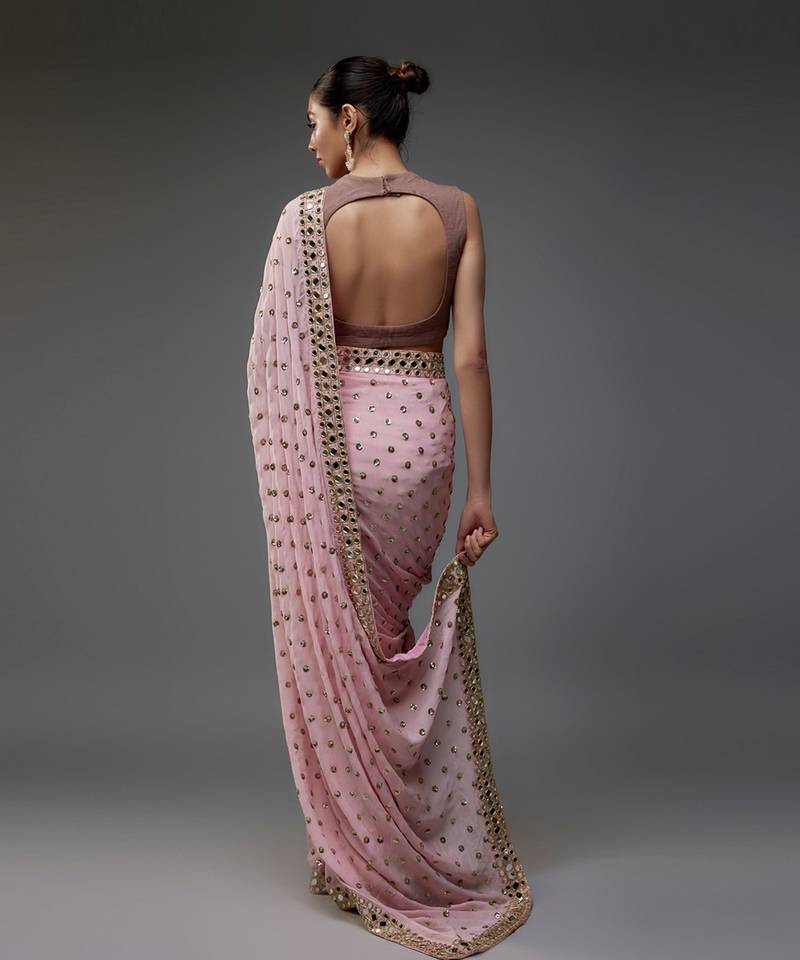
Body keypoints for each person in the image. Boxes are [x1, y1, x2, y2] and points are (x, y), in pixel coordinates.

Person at [245, 55, 532, 957]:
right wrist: (481, 490)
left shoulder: (306, 220)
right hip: (422, 443)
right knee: (390, 631)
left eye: (314, 123)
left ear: (351, 120)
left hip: (340, 446)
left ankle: (368, 846)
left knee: (346, 643)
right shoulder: (457, 210)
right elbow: (471, 358)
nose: (311, 143)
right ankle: (410, 832)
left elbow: (276, 367)